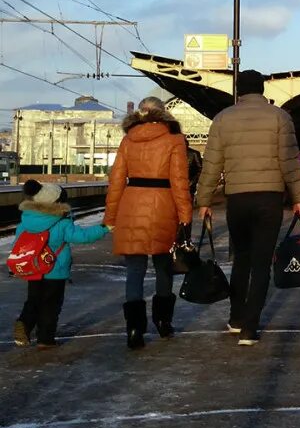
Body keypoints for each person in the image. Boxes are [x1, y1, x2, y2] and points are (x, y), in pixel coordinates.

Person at [195, 69, 300, 346]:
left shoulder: (222, 119)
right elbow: (289, 160)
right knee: (261, 263)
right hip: (269, 199)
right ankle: (249, 328)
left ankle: (235, 318)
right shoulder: (280, 117)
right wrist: (298, 196)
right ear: (262, 89)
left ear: (239, 91)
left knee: (242, 260)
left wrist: (204, 200)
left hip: (238, 200)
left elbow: (212, 164)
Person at [104, 97, 193, 349]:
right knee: (164, 267)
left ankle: (134, 329)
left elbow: (117, 180)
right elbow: (179, 182)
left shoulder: (128, 139)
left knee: (134, 271)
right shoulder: (174, 139)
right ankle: (163, 322)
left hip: (131, 205)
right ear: (163, 112)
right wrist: (185, 217)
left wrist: (111, 217)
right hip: (163, 206)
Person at [12, 181, 111, 349]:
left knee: (34, 300)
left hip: (33, 268)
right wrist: (104, 228)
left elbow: (18, 243)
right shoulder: (61, 222)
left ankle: (24, 322)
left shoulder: (26, 220)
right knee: (51, 305)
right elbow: (82, 236)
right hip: (55, 270)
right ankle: (45, 340)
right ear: (57, 202)